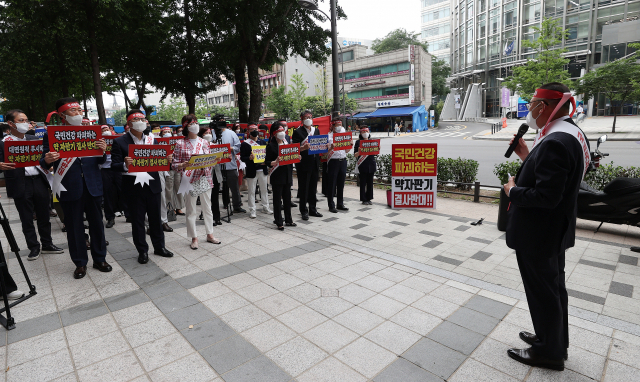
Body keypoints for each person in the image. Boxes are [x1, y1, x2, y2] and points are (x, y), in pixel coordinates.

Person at [504, 83, 590, 371]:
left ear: (544, 107)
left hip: (539, 233)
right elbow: (554, 181)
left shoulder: (555, 140)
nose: (530, 111)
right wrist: (526, 155)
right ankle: (552, 339)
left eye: (532, 105)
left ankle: (548, 352)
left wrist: (513, 191)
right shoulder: (569, 132)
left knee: (543, 292)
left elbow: (546, 196)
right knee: (552, 289)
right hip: (554, 230)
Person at [41, 98, 111, 279]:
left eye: (80, 110)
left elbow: (100, 161)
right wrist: (48, 159)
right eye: (74, 111)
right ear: (62, 115)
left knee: (97, 224)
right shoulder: (52, 134)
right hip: (69, 187)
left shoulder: (92, 132)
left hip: (92, 185)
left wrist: (103, 151)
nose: (79, 114)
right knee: (74, 227)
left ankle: (100, 258)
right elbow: (43, 161)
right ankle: (80, 263)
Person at [111, 109, 174, 264]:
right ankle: (142, 251)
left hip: (152, 185)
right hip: (133, 188)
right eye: (137, 119)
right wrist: (125, 164)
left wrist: (167, 159)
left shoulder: (153, 140)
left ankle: (159, 247)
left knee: (156, 219)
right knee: (138, 221)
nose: (142, 122)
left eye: (143, 119)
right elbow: (114, 165)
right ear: (129, 123)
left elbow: (161, 160)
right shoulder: (120, 142)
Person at [0, 110, 64, 261]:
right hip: (19, 183)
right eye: (21, 120)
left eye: (26, 120)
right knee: (26, 218)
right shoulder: (3, 143)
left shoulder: (34, 138)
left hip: (39, 180)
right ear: (11, 123)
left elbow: (43, 159)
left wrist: (49, 162)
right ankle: (33, 247)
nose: (26, 123)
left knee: (44, 214)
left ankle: (47, 244)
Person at [172, 116, 220, 249]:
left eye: (197, 123)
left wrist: (214, 160)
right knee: (191, 210)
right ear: (186, 127)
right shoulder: (180, 144)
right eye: (192, 123)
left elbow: (210, 159)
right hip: (189, 179)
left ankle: (210, 234)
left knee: (207, 208)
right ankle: (194, 237)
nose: (196, 125)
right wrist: (183, 164)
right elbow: (174, 165)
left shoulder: (204, 142)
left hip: (204, 177)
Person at [265, 121, 296, 231]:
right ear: (274, 133)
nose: (282, 132)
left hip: (287, 174)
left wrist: (297, 156)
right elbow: (267, 161)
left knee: (287, 199)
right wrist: (274, 162)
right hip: (277, 175)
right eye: (279, 131)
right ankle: (279, 221)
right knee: (277, 200)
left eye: (283, 130)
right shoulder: (271, 146)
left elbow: (292, 155)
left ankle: (289, 219)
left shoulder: (287, 143)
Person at [292, 110, 322, 220]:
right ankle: (303, 211)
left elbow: (319, 144)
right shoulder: (297, 132)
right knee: (304, 188)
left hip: (314, 163)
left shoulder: (316, 130)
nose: (308, 118)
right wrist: (303, 148)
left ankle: (313, 209)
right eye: (306, 117)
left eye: (310, 116)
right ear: (302, 119)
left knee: (313, 188)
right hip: (303, 164)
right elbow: (294, 149)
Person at [240, 124, 272, 218]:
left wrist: (266, 162)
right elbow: (242, 157)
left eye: (255, 129)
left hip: (262, 169)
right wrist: (249, 158)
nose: (254, 130)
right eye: (252, 129)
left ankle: (266, 207)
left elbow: (267, 155)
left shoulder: (262, 142)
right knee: (252, 191)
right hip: (252, 170)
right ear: (248, 131)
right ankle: (252, 210)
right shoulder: (245, 144)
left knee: (264, 190)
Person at [100, 125, 123, 229]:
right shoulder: (98, 141)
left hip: (117, 168)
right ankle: (110, 217)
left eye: (107, 129)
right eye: (103, 130)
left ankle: (128, 213)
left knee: (122, 190)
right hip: (104, 169)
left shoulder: (117, 140)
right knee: (107, 193)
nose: (106, 131)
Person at [219, 120, 245, 213]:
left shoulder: (231, 133)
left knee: (234, 186)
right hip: (217, 166)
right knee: (222, 187)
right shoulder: (212, 133)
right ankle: (225, 203)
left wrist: (231, 148)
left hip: (230, 165)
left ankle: (237, 205)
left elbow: (238, 146)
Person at [326, 119, 349, 213]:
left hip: (342, 161)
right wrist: (331, 147)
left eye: (340, 124)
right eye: (337, 125)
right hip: (333, 161)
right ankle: (331, 205)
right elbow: (325, 153)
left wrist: (349, 145)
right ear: (333, 126)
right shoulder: (328, 136)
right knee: (332, 184)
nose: (339, 126)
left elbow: (346, 151)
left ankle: (340, 203)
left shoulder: (344, 136)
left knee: (341, 183)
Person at [354, 127, 376, 205]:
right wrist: (359, 152)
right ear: (360, 133)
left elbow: (375, 153)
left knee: (370, 183)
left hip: (371, 164)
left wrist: (378, 148)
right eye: (363, 131)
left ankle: (369, 198)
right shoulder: (358, 142)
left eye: (367, 131)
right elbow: (355, 155)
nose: (365, 133)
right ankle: (363, 199)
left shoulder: (373, 141)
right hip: (362, 164)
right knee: (363, 183)